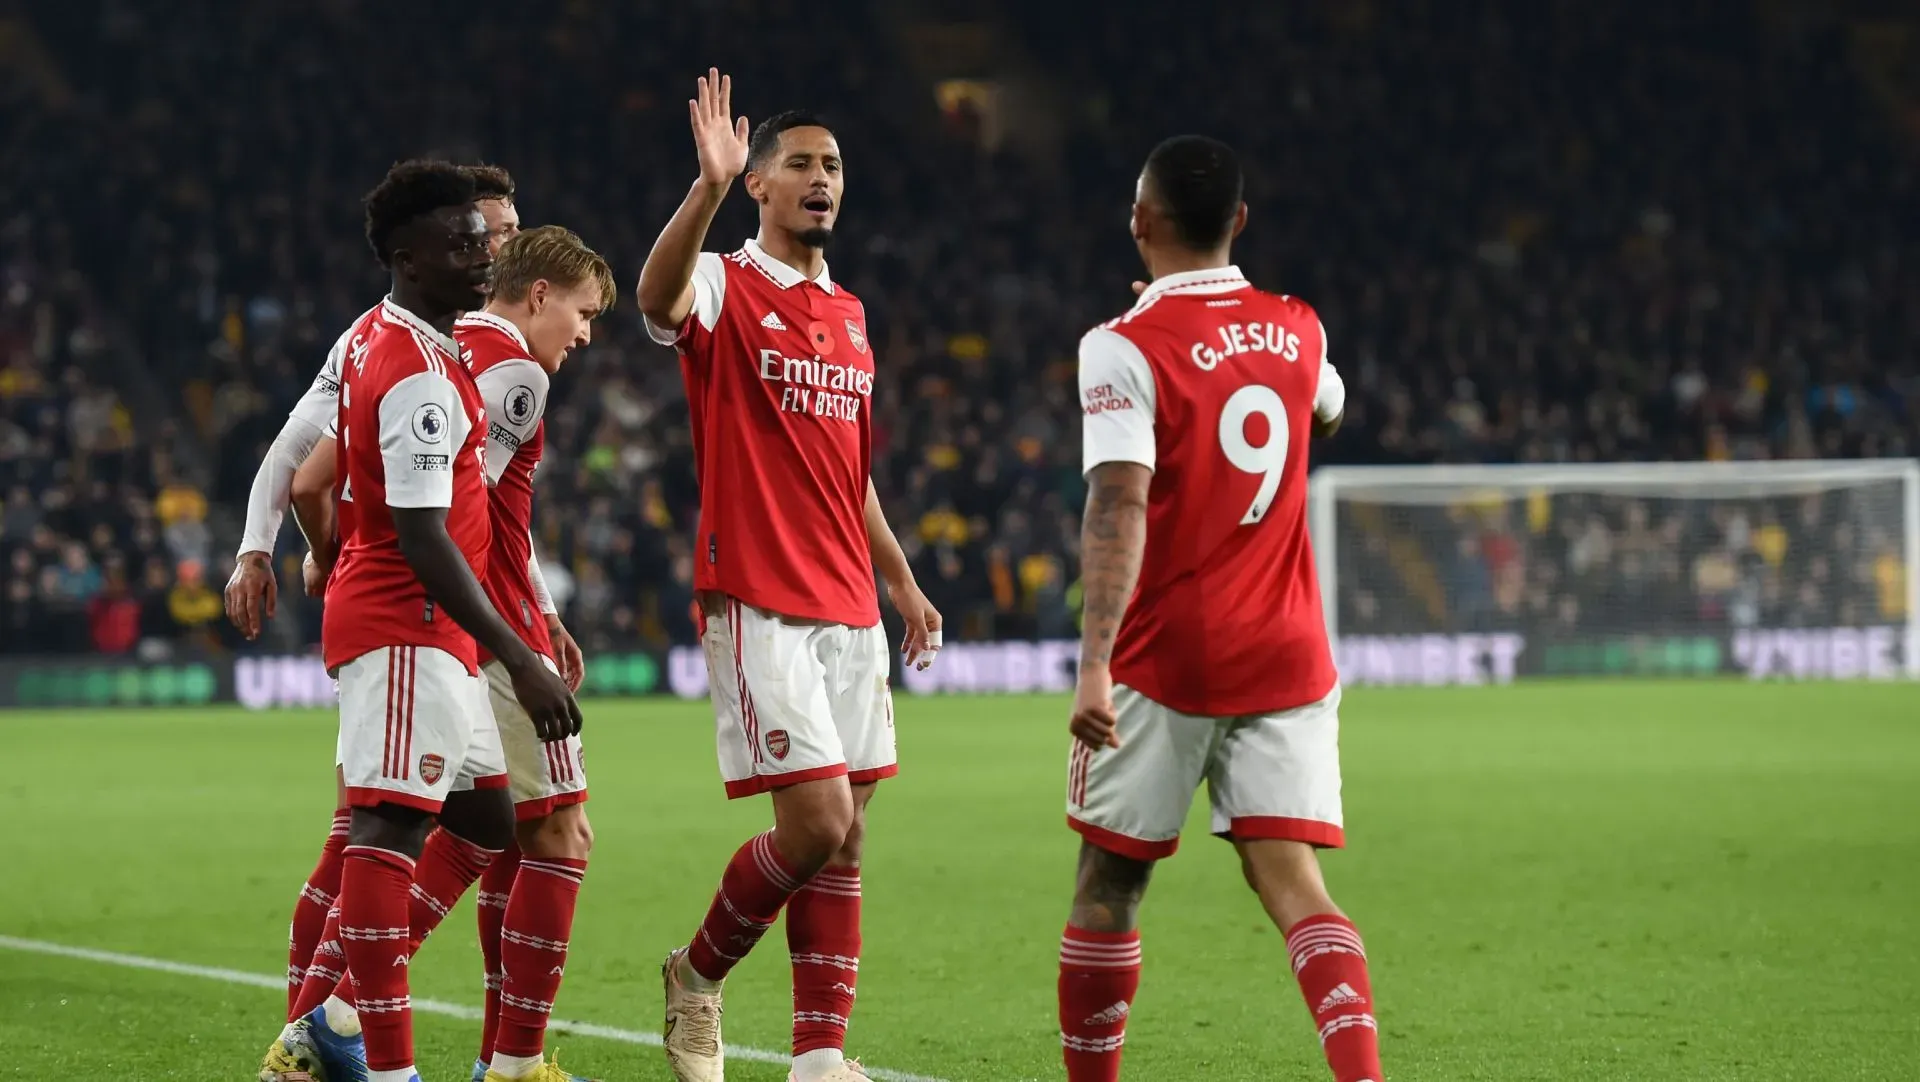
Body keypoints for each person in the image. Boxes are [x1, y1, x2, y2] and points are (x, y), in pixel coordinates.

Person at [634, 70, 942, 1082]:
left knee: (845, 839)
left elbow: (851, 479)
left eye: (835, 165)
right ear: (761, 182)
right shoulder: (725, 280)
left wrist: (901, 582)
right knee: (814, 822)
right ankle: (696, 972)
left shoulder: (849, 312)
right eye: (801, 164)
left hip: (849, 599)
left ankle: (817, 1055)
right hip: (757, 593)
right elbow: (653, 298)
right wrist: (705, 186)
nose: (823, 179)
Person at [1057, 135, 1379, 1082]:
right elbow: (1327, 407)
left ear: (1139, 223)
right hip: (1287, 653)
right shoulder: (1300, 326)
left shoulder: (1121, 347)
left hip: (1168, 657)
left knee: (1110, 882)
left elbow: (1118, 504)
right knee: (1296, 884)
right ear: (1239, 221)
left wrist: (1092, 662)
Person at [261, 159, 579, 1082]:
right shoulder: (419, 377)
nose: (484, 257)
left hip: (435, 630)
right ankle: (382, 1062)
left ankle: (333, 1016)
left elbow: (332, 482)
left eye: (483, 240)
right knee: (386, 833)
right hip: (409, 623)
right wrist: (520, 655)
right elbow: (425, 536)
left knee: (484, 820)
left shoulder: (388, 339)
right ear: (406, 256)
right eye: (460, 243)